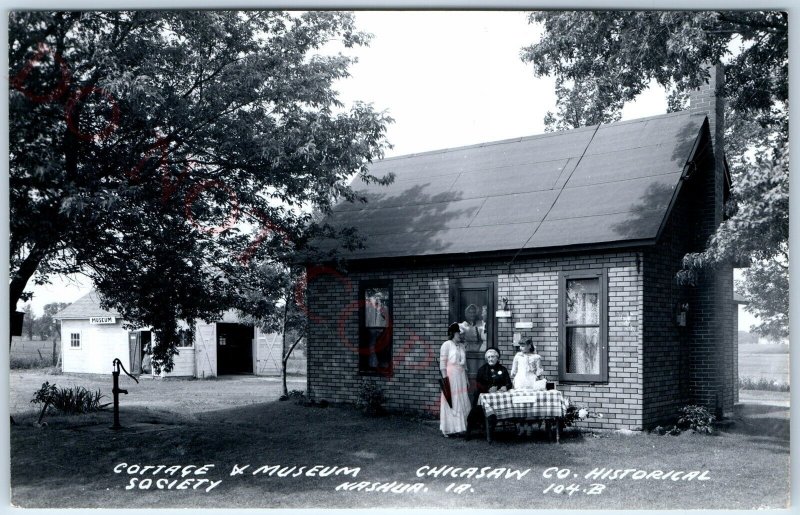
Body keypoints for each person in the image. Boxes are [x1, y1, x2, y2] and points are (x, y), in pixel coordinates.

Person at [466, 348, 513, 438]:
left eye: (493, 357)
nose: (490, 359)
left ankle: (491, 426)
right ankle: (473, 430)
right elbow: (478, 384)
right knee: (476, 410)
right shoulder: (482, 370)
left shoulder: (502, 369)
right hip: (483, 396)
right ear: (486, 359)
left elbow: (509, 383)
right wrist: (487, 389)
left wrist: (505, 387)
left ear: (497, 358)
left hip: (499, 399)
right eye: (489, 357)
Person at [439, 322, 471, 437]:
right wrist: (445, 380)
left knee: (461, 400)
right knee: (451, 400)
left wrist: (466, 379)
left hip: (461, 376)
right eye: (458, 333)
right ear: (453, 333)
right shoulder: (446, 345)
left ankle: (460, 428)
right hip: (450, 376)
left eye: (461, 334)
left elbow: (465, 365)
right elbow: (442, 363)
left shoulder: (462, 346)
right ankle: (448, 428)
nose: (460, 336)